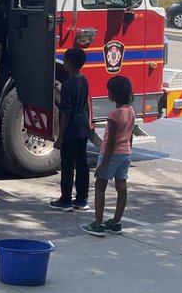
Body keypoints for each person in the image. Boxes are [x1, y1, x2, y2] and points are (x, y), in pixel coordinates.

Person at [82, 76, 134, 237]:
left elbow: (110, 141)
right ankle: (116, 222)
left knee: (100, 186)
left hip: (110, 154)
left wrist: (103, 164)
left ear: (113, 94)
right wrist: (129, 149)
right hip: (125, 154)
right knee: (121, 187)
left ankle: (98, 224)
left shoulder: (114, 114)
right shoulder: (131, 111)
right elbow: (131, 135)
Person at [50, 47, 91, 211]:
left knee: (67, 165)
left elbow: (66, 112)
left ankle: (65, 199)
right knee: (82, 164)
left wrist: (60, 136)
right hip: (83, 127)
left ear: (68, 62)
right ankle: (81, 199)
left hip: (71, 130)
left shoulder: (68, 84)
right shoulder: (83, 79)